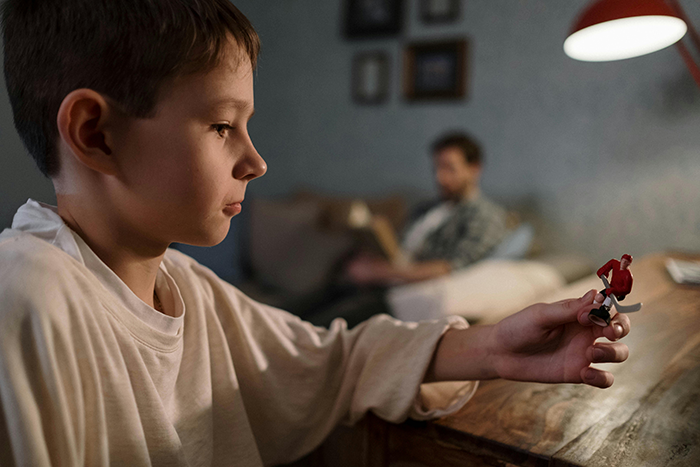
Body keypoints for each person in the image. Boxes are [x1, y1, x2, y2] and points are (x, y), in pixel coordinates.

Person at [0, 1, 631, 465]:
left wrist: (496, 346)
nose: (256, 161)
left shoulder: (191, 288)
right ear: (95, 133)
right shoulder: (26, 297)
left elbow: (330, 360)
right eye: (223, 126)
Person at [347, 132, 508, 285]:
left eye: (449, 168)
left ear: (474, 169)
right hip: (382, 279)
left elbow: (451, 267)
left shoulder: (484, 215)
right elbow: (398, 248)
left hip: (405, 287)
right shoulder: (425, 208)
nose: (440, 177)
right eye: (437, 168)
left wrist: (380, 272)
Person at [590, 254, 634, 326]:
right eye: (623, 261)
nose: (624, 263)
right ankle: (592, 310)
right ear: (621, 259)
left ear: (629, 264)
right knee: (598, 297)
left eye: (626, 262)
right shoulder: (614, 263)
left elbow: (626, 290)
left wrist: (615, 291)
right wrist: (602, 271)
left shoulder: (628, 276)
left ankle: (604, 312)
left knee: (609, 298)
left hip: (619, 293)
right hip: (610, 287)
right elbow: (606, 267)